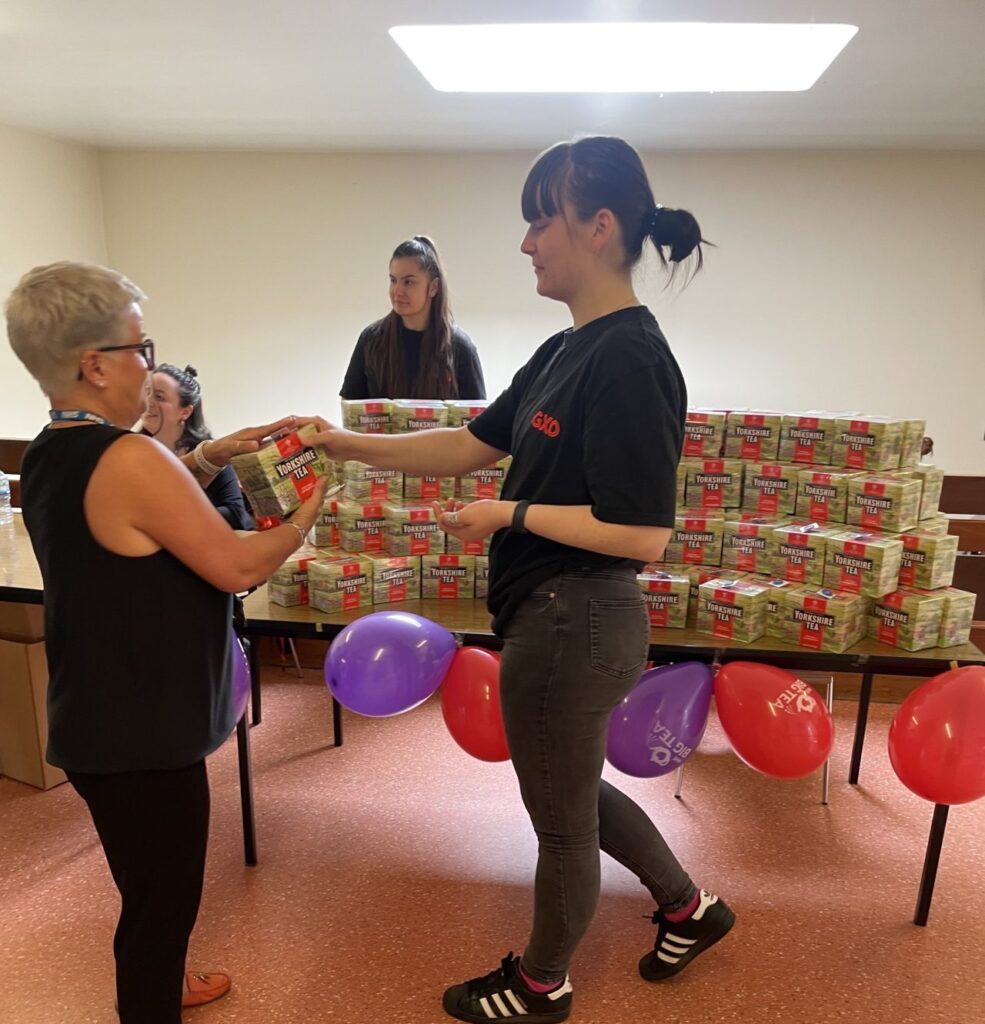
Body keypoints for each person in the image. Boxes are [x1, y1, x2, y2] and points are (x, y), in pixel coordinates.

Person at [312, 136, 732, 1023]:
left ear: (598, 225)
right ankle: (690, 909)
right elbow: (468, 444)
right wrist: (342, 441)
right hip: (555, 615)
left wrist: (508, 515)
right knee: (571, 792)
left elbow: (642, 533)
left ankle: (542, 984)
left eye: (541, 218)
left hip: (575, 618)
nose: (526, 240)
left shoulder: (630, 358)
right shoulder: (563, 351)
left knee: (560, 823)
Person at [6, 261, 329, 1024]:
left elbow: (130, 508)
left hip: (98, 721)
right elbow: (239, 563)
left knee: (146, 885)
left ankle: (168, 978)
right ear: (94, 364)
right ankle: (155, 997)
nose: (148, 365)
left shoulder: (54, 451)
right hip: (143, 738)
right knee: (160, 910)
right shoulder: (131, 458)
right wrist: (305, 512)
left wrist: (213, 456)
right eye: (139, 348)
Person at [340, 235, 486, 400]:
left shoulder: (460, 346)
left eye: (408, 282)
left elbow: (477, 420)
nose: (397, 291)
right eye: (393, 280)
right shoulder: (371, 339)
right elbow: (350, 408)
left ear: (433, 287)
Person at [141, 362, 255, 530]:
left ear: (185, 412)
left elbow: (238, 516)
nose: (147, 402)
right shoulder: (129, 449)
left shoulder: (210, 454)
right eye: (146, 392)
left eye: (159, 397)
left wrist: (184, 516)